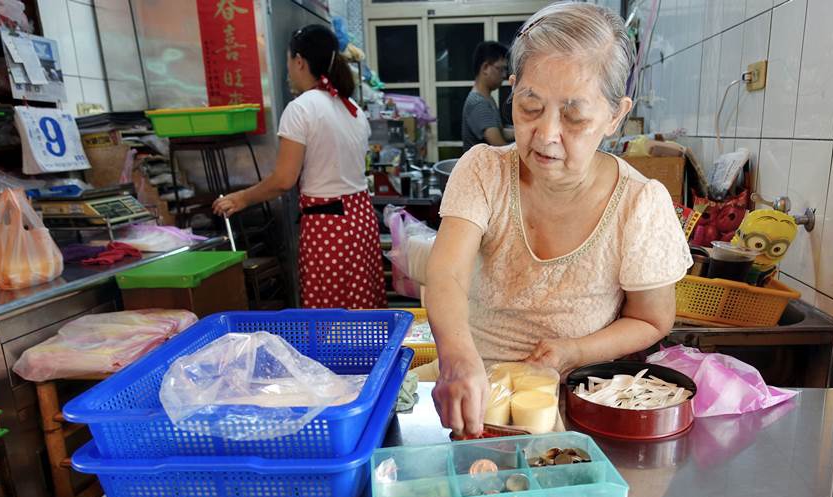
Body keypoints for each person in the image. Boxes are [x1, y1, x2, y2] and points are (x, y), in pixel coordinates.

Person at [427, 2, 693, 436]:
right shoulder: (483, 171)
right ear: (512, 91)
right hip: (474, 399)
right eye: (530, 107)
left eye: (573, 116)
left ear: (615, 115)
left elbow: (652, 319)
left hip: (581, 406)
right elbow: (446, 275)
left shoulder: (639, 203)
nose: (547, 134)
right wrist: (457, 357)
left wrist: (574, 350)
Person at [213, 25, 386, 309]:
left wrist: (240, 198)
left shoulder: (301, 108)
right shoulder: (351, 107)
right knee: (361, 314)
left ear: (300, 62)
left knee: (328, 321)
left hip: (328, 227)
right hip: (360, 222)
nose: (288, 70)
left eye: (288, 62)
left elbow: (284, 179)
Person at [461, 41, 515, 152]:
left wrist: (524, 131)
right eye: (500, 69)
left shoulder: (486, 98)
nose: (504, 75)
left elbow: (500, 132)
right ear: (485, 67)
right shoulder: (478, 103)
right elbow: (499, 146)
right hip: (480, 168)